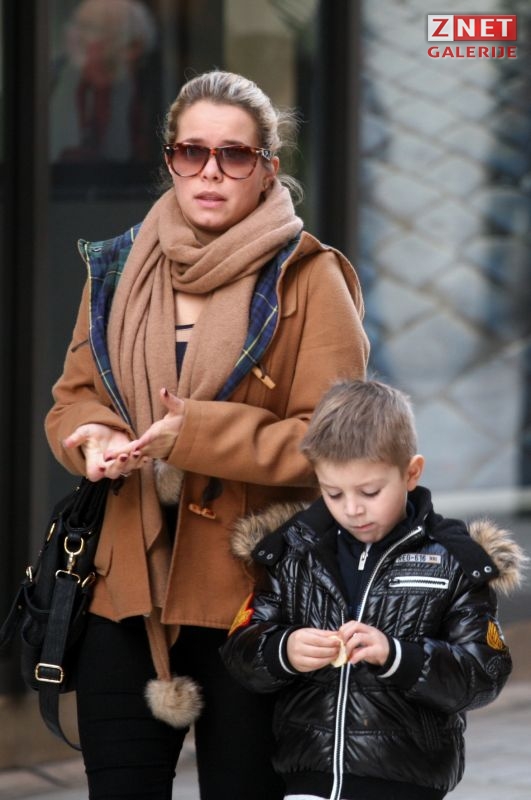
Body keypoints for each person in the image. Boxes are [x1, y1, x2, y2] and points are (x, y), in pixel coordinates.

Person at [44, 70, 369, 800]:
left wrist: (192, 435)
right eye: (192, 152)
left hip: (256, 600)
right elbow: (74, 396)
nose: (211, 172)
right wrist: (92, 437)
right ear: (171, 160)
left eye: (235, 155)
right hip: (126, 588)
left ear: (268, 168)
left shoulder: (309, 277)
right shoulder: (117, 266)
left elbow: (336, 442)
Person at [221, 379, 525, 800]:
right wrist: (283, 650)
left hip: (407, 782)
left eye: (370, 491)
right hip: (308, 778)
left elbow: (484, 674)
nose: (352, 509)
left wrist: (397, 655)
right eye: (333, 493)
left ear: (411, 473)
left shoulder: (455, 559)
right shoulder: (292, 552)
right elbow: (239, 653)